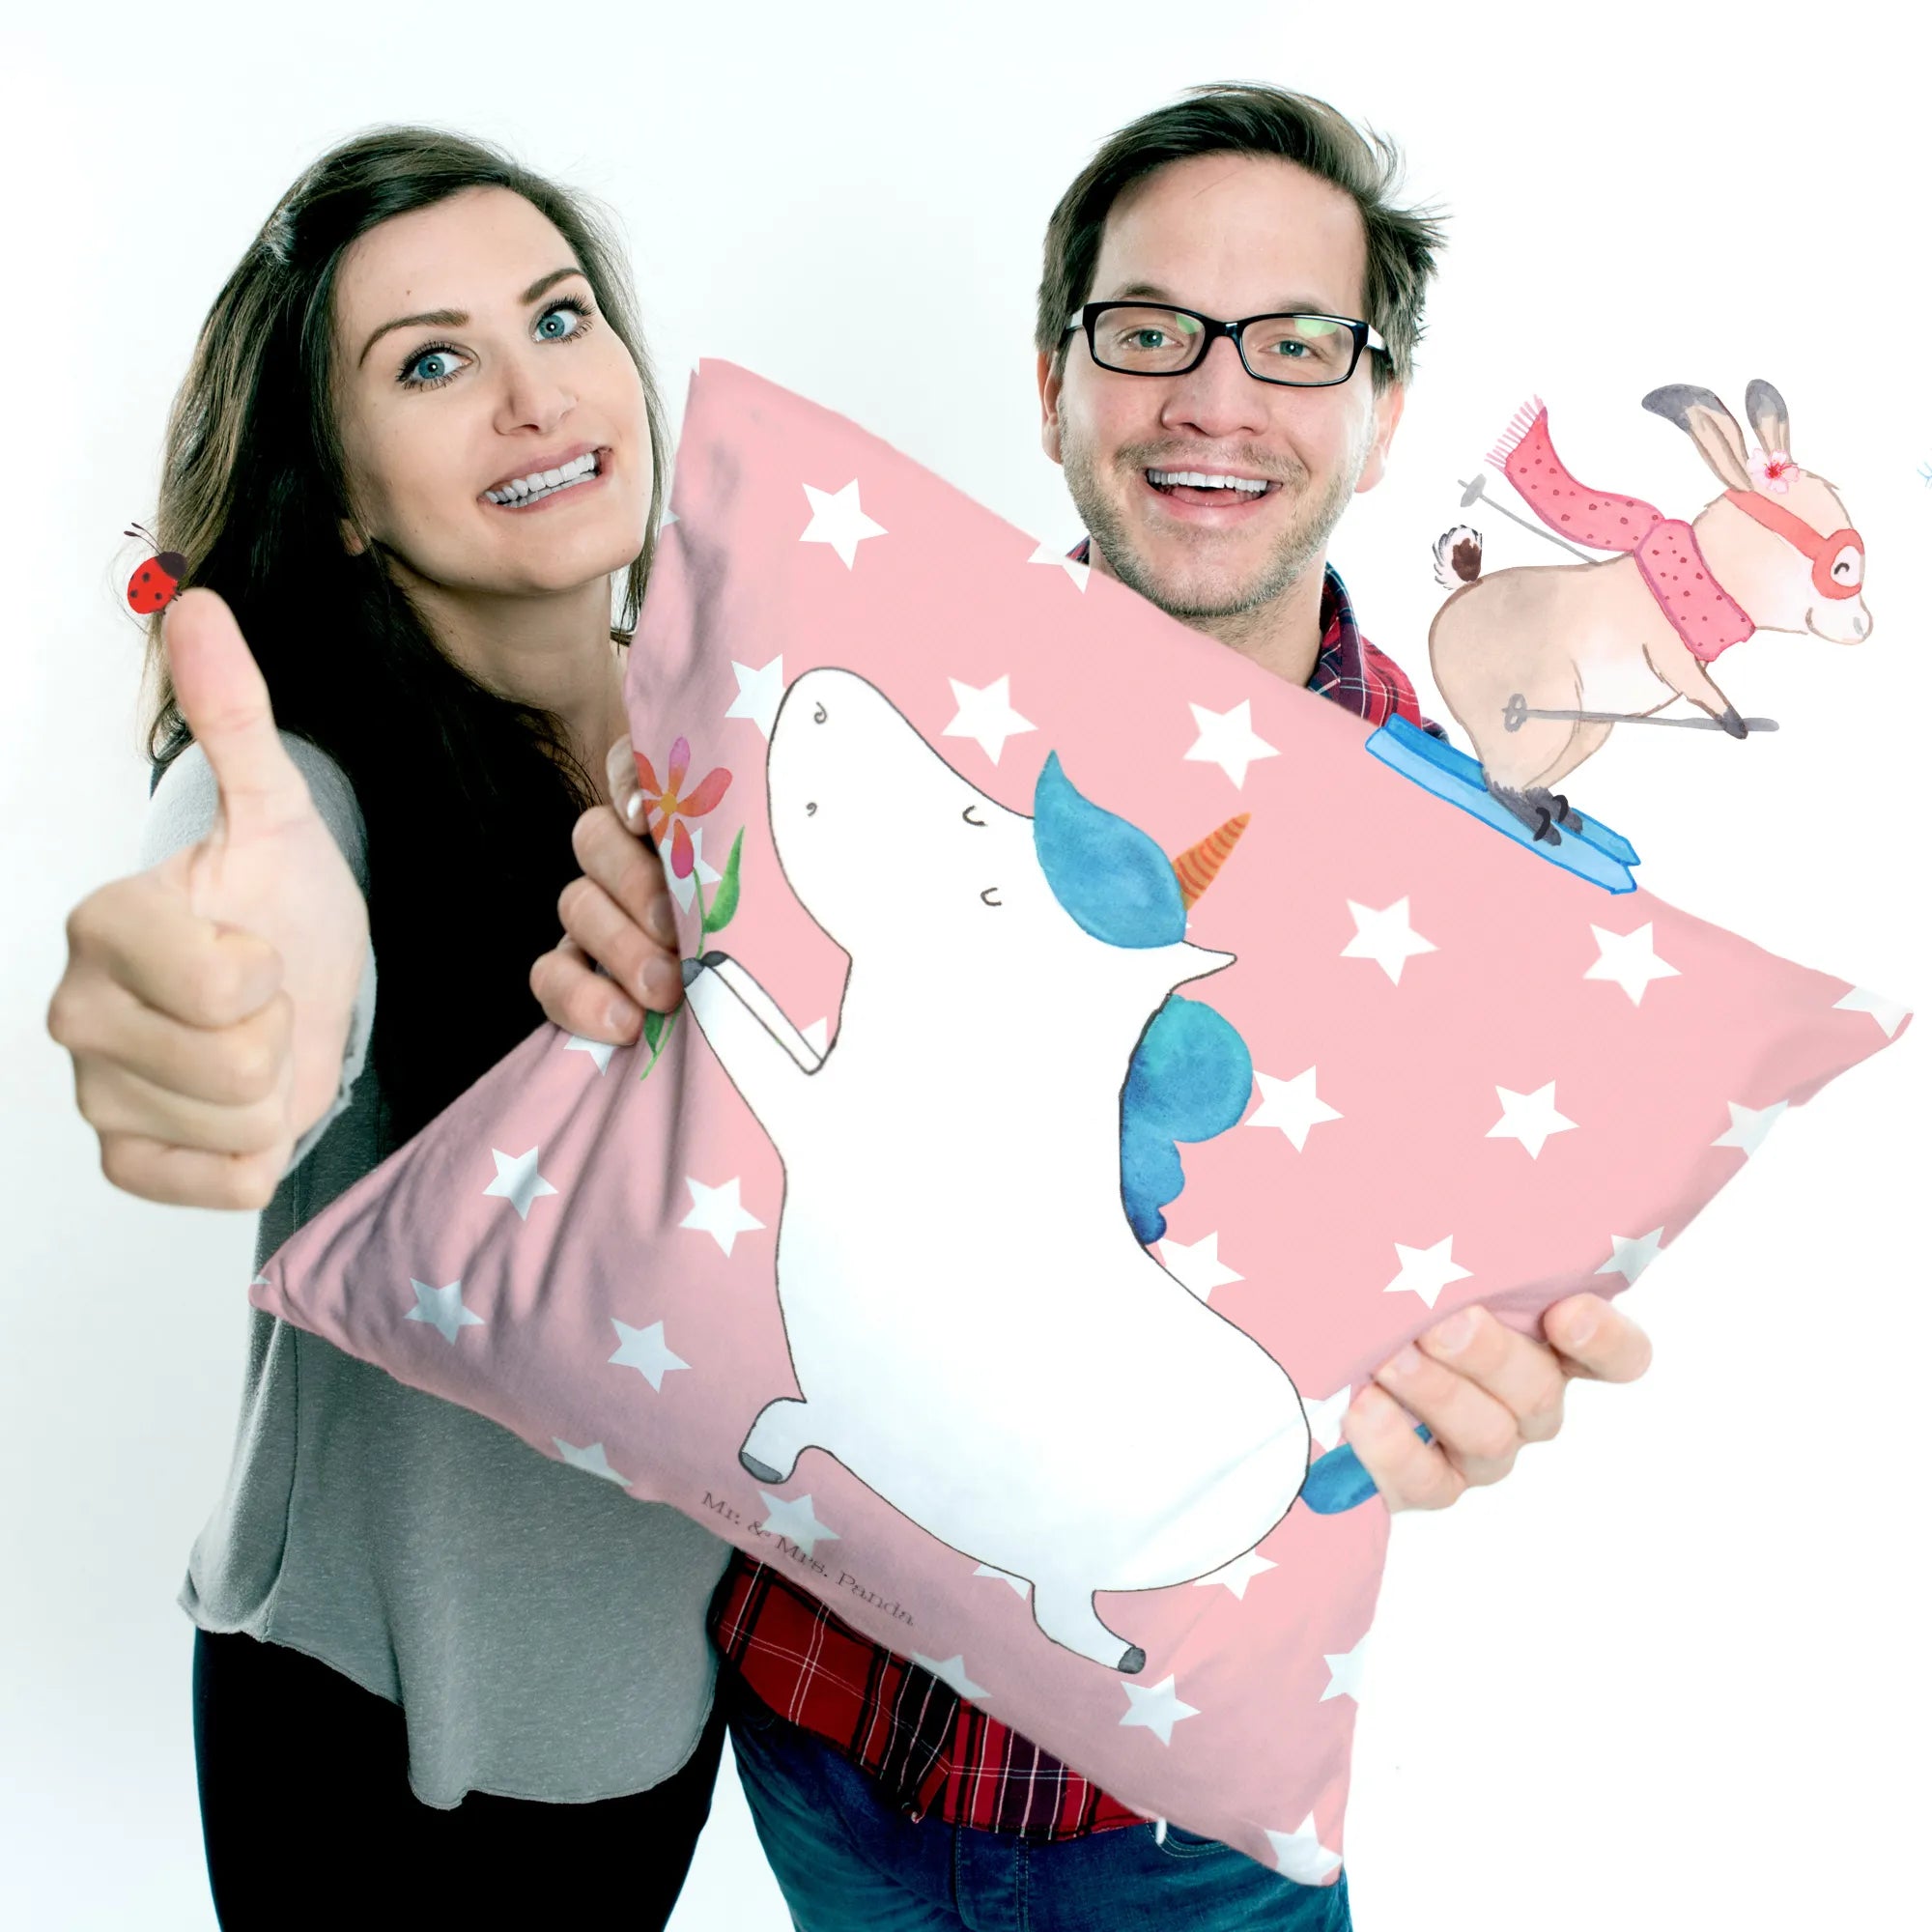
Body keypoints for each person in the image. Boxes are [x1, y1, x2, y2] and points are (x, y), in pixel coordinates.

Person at [534, 84, 1656, 1928]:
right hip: (809, 1738)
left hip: (1180, 1833)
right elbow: (693, 1139)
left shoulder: (1480, 891)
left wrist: (1480, 1388)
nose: (1216, 398)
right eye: (1150, 332)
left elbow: (1434, 1321)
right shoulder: (830, 684)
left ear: (1380, 417)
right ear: (1054, 383)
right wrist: (625, 985)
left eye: (1296, 343)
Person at [44, 130, 731, 1927]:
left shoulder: (739, 745)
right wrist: (223, 1001)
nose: (532, 395)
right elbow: (256, 903)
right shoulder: (308, 781)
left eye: (559, 318)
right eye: (430, 363)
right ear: (341, 495)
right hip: (379, 1743)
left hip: (660, 1707)